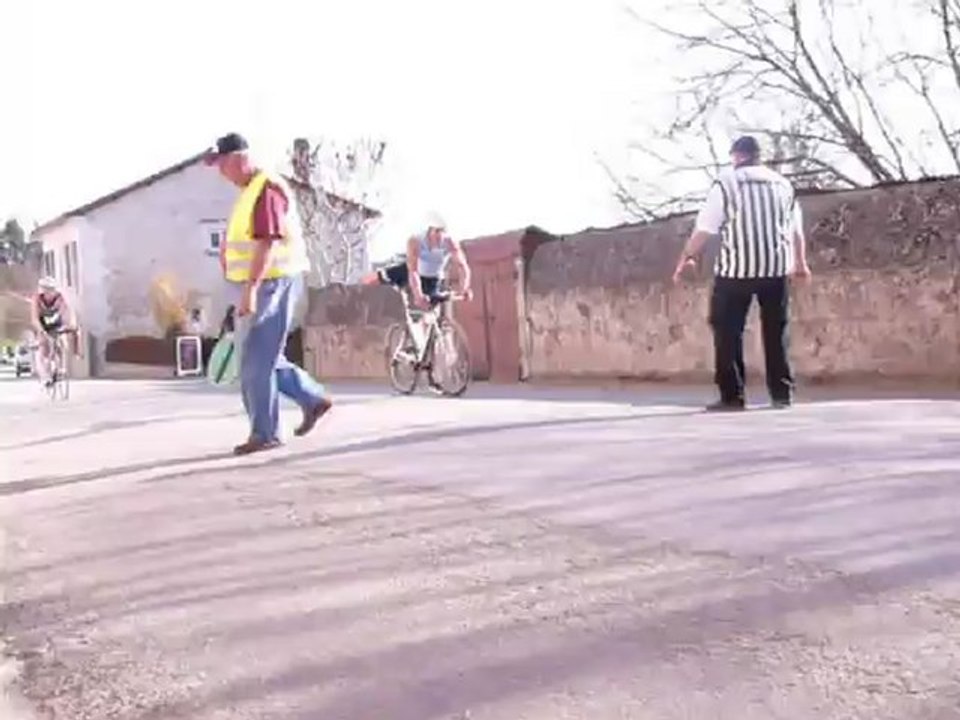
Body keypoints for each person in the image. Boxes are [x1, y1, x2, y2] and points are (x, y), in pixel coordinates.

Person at [205, 132, 332, 455]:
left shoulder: (266, 189)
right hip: (263, 284)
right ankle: (311, 398)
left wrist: (250, 290)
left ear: (239, 159)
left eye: (221, 164)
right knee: (264, 357)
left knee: (255, 362)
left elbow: (267, 242)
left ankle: (266, 432)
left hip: (271, 283)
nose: (220, 173)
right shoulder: (250, 191)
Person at [672, 135, 812, 412]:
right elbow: (795, 230)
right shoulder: (784, 185)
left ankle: (732, 395)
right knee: (776, 329)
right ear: (759, 156)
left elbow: (705, 229)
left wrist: (685, 257)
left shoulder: (726, 183)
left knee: (726, 329)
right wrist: (801, 263)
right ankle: (782, 393)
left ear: (737, 156)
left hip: (736, 270)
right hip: (775, 267)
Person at [362, 214, 473, 310]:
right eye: (436, 233)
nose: (439, 238)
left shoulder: (450, 243)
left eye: (442, 233)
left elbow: (462, 267)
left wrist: (464, 288)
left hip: (432, 279)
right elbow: (413, 271)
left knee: (427, 304)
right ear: (429, 231)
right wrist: (418, 294)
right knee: (372, 279)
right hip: (411, 271)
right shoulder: (415, 241)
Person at [30, 276, 74, 386]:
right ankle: (45, 377)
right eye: (46, 289)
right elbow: (34, 318)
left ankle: (61, 369)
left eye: (51, 289)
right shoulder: (37, 299)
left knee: (62, 344)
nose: (49, 292)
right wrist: (41, 331)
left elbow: (67, 312)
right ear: (42, 290)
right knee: (43, 349)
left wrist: (69, 325)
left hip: (56, 324)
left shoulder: (60, 298)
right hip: (43, 326)